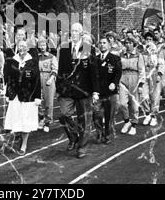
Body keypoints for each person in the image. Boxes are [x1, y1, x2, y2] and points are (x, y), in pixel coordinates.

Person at [56, 22, 99, 159]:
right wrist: (59, 88)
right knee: (64, 115)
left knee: (85, 120)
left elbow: (93, 71)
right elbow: (60, 70)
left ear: (81, 33)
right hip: (67, 90)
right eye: (72, 31)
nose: (73, 33)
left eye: (76, 31)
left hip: (83, 90)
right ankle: (74, 136)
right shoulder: (64, 49)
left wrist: (95, 91)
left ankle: (82, 147)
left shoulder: (88, 48)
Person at [4, 40, 41, 155]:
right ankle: (16, 141)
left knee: (26, 121)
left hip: (28, 96)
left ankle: (24, 144)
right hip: (15, 95)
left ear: (27, 48)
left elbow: (37, 80)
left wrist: (37, 97)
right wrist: (7, 94)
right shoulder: (13, 60)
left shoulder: (33, 61)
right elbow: (9, 78)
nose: (22, 48)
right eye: (20, 46)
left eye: (24, 46)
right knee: (15, 119)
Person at [93, 37, 122, 144]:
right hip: (98, 92)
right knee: (96, 114)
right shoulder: (95, 59)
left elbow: (118, 73)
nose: (102, 45)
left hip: (110, 92)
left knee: (109, 115)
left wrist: (114, 83)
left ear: (109, 45)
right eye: (100, 43)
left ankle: (107, 134)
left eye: (104, 43)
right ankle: (99, 133)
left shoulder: (115, 58)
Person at [118, 37, 145, 135]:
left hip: (134, 78)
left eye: (130, 43)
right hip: (123, 78)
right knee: (122, 103)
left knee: (134, 105)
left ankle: (134, 125)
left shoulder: (138, 55)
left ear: (133, 44)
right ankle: (126, 121)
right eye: (126, 43)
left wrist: (141, 84)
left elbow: (142, 70)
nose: (127, 44)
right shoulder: (121, 55)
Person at [37, 37, 58, 131]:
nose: (42, 47)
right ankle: (41, 119)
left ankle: (48, 122)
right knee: (38, 101)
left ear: (47, 46)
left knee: (48, 101)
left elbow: (55, 69)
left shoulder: (51, 57)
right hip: (38, 78)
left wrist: (51, 79)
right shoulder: (37, 57)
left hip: (48, 78)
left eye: (43, 45)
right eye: (40, 45)